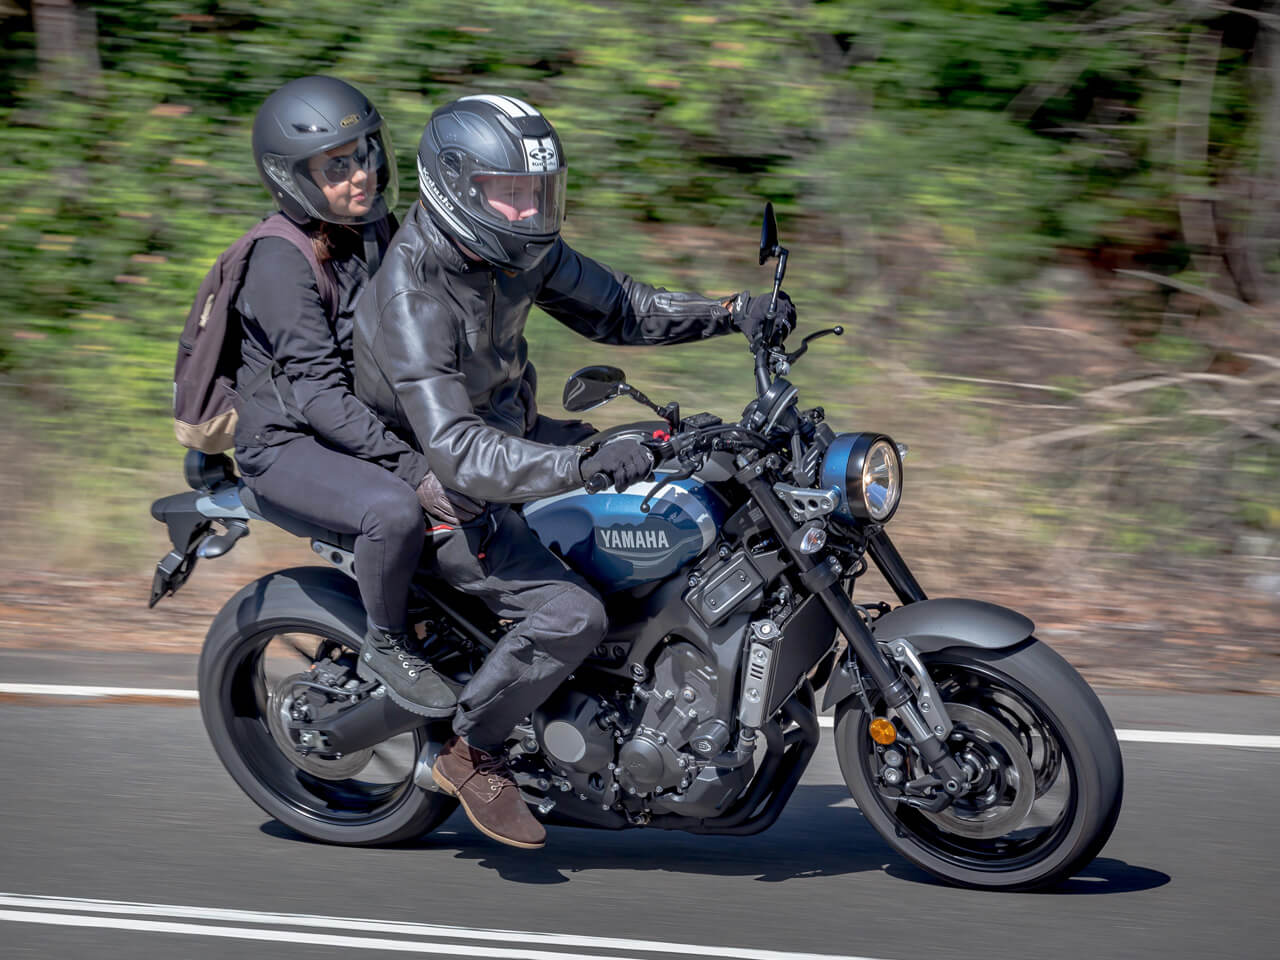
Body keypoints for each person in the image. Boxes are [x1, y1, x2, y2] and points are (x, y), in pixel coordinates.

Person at [353, 93, 795, 849]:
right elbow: (456, 447)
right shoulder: (413, 295)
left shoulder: (512, 250)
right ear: (455, 187)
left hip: (512, 436)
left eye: (538, 192)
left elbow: (618, 306)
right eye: (511, 193)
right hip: (441, 482)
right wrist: (582, 462)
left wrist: (730, 311)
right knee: (571, 615)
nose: (530, 211)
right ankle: (471, 752)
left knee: (692, 475)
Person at [234, 75, 479, 719]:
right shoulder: (279, 261)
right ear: (292, 177)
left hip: (358, 422)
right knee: (393, 511)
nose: (362, 174)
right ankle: (387, 644)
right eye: (337, 166)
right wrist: (415, 471)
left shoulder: (376, 229)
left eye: (366, 152)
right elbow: (318, 395)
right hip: (288, 443)